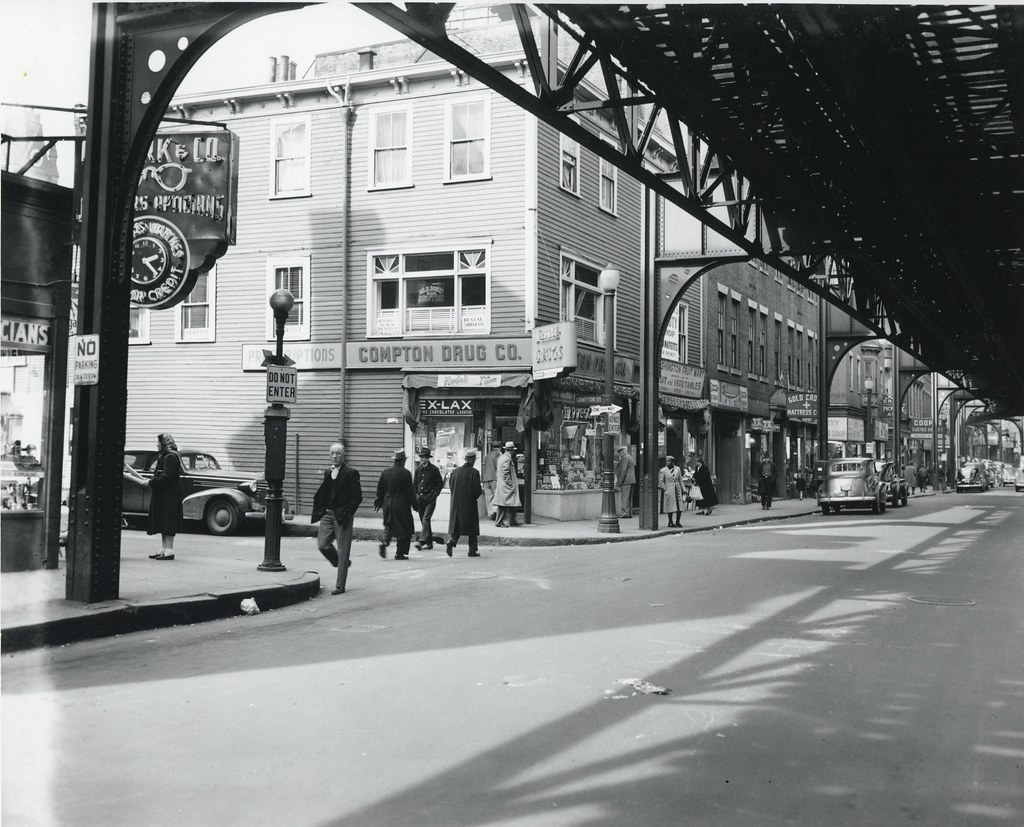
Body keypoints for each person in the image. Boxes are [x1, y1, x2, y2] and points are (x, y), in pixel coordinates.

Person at [311, 442, 362, 595]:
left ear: (343, 454)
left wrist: (347, 514)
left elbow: (357, 497)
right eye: (332, 453)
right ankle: (341, 563)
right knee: (322, 544)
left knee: (343, 550)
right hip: (328, 514)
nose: (334, 456)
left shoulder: (351, 472)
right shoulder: (328, 472)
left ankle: (340, 585)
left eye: (338, 453)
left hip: (343, 516)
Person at [374, 448, 417, 560]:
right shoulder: (406, 473)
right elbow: (410, 492)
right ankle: (400, 553)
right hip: (401, 503)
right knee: (404, 526)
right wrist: (415, 505)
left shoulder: (385, 472)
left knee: (389, 523)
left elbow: (380, 489)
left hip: (387, 502)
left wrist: (378, 502)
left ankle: (384, 541)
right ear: (403, 460)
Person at [146, 433, 183, 560]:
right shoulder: (167, 456)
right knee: (163, 521)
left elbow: (167, 477)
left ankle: (169, 550)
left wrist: (151, 482)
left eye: (158, 442)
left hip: (169, 496)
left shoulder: (170, 457)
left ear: (164, 444)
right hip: (165, 495)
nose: (157, 445)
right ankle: (164, 549)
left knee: (168, 521)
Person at [446, 448, 484, 557]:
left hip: (456, 504)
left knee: (457, 525)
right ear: (472, 460)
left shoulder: (455, 472)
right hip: (469, 504)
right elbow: (477, 490)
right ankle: (472, 550)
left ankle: (452, 541)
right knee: (472, 528)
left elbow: (451, 487)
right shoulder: (474, 472)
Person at [413, 447, 443, 550]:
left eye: (423, 457)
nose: (421, 459)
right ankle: (429, 543)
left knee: (426, 519)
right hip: (421, 499)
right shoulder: (418, 469)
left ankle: (421, 542)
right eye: (421, 457)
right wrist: (416, 495)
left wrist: (434, 494)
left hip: (430, 499)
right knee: (424, 521)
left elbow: (440, 483)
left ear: (427, 458)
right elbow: (415, 483)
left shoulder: (434, 470)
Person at [494, 441, 521, 527]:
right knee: (504, 504)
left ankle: (512, 520)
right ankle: (499, 522)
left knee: (509, 503)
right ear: (511, 450)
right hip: (506, 486)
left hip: (502, 485)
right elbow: (506, 472)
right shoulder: (507, 458)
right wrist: (510, 483)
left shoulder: (502, 457)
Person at [658, 455, 685, 527]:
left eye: (669, 461)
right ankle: (670, 521)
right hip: (669, 490)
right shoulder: (663, 470)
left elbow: (680, 479)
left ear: (672, 462)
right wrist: (665, 488)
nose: (667, 463)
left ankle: (678, 521)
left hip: (677, 489)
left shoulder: (678, 469)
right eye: (666, 461)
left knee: (679, 506)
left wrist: (684, 489)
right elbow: (661, 481)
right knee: (670, 506)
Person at [481, 437, 501, 521]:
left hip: (486, 478)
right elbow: (498, 466)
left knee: (489, 497)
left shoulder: (487, 455)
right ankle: (496, 513)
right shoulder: (498, 454)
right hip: (494, 477)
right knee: (496, 496)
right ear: (499, 447)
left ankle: (490, 513)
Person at [615, 445, 636, 518]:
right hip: (631, 480)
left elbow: (623, 470)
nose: (619, 454)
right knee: (629, 498)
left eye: (620, 452)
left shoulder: (625, 458)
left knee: (625, 498)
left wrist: (620, 481)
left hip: (626, 481)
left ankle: (624, 513)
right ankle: (629, 513)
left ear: (622, 452)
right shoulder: (630, 457)